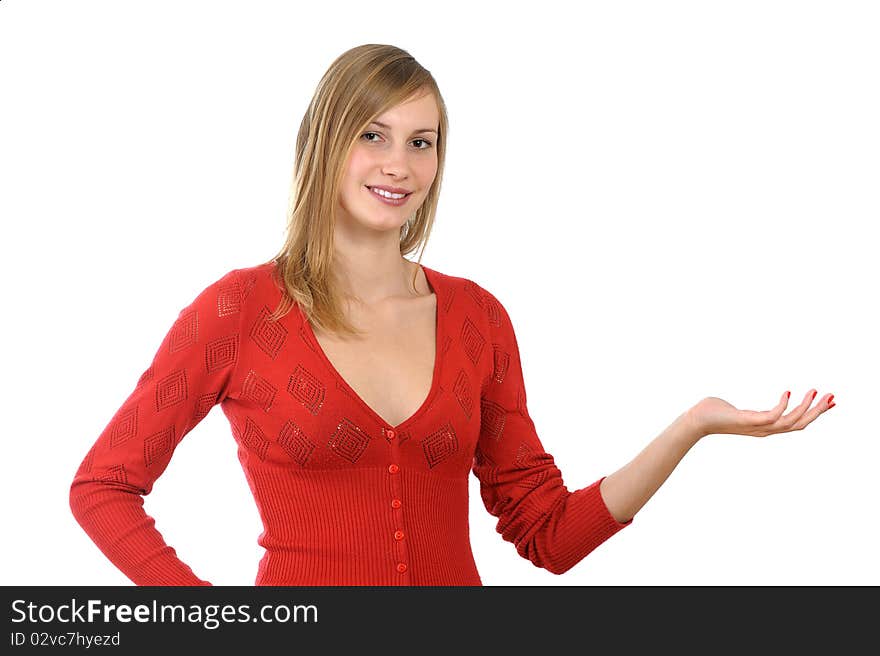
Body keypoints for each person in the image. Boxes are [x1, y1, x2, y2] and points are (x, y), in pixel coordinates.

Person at [69, 43, 835, 586]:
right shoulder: (239, 311)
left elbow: (548, 535)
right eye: (372, 135)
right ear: (324, 144)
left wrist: (690, 426)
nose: (399, 163)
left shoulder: (477, 317)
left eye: (421, 141)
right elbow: (101, 486)